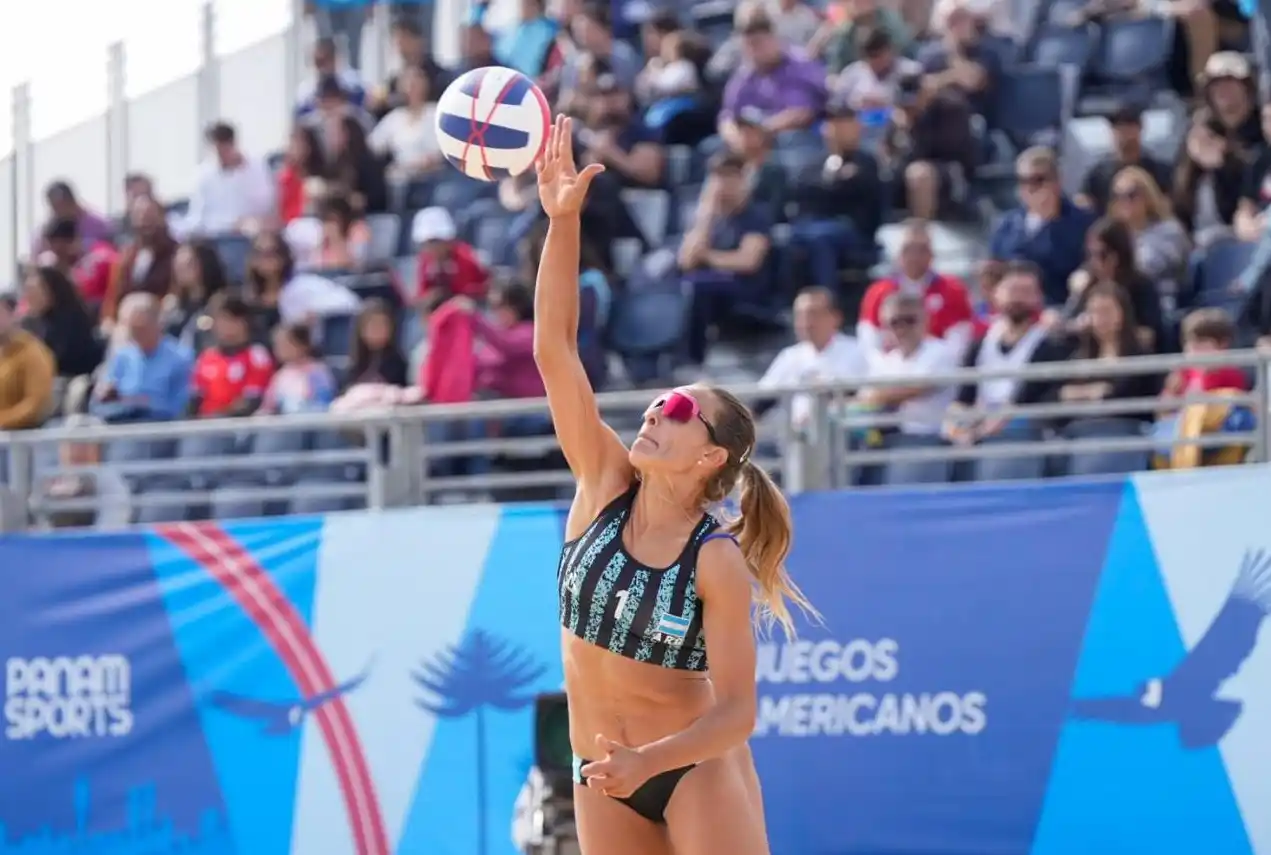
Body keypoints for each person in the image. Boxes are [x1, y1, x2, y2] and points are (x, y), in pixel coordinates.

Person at [533, 115, 812, 855]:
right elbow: (554, 350)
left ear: (709, 458)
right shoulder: (600, 483)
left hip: (686, 766)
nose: (657, 409)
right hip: (601, 771)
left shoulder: (713, 557)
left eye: (682, 410)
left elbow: (737, 714)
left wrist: (647, 763)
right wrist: (562, 223)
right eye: (659, 401)